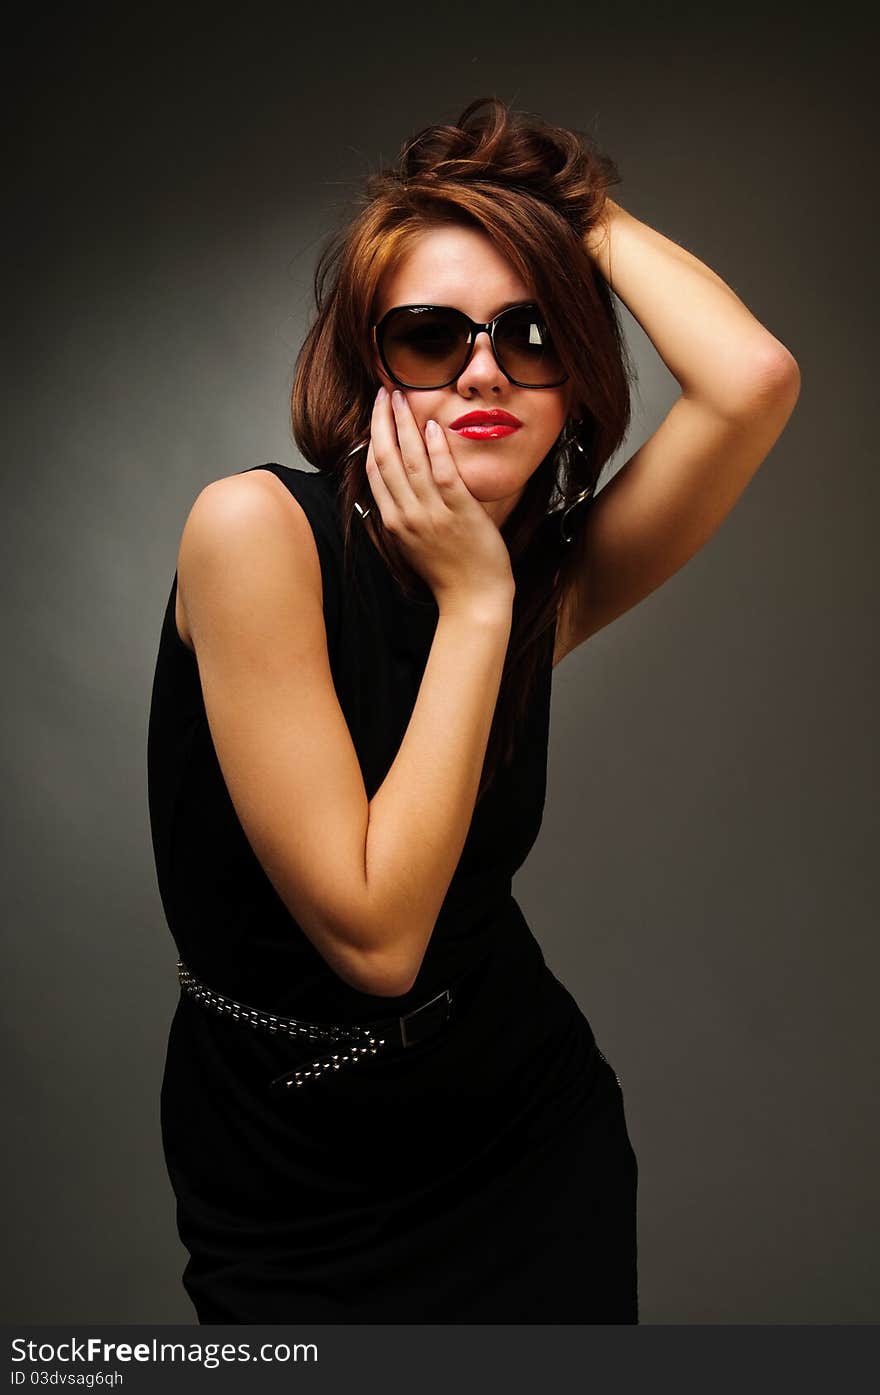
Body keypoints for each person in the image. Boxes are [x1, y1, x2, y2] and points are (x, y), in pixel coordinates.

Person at [147, 95, 800, 1325]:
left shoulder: (536, 574)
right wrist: (479, 610)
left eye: (534, 333)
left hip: (525, 1133)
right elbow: (376, 941)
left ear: (576, 388)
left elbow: (751, 378)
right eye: (430, 336)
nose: (486, 369)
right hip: (288, 1163)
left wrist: (567, 207)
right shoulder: (253, 534)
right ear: (366, 369)